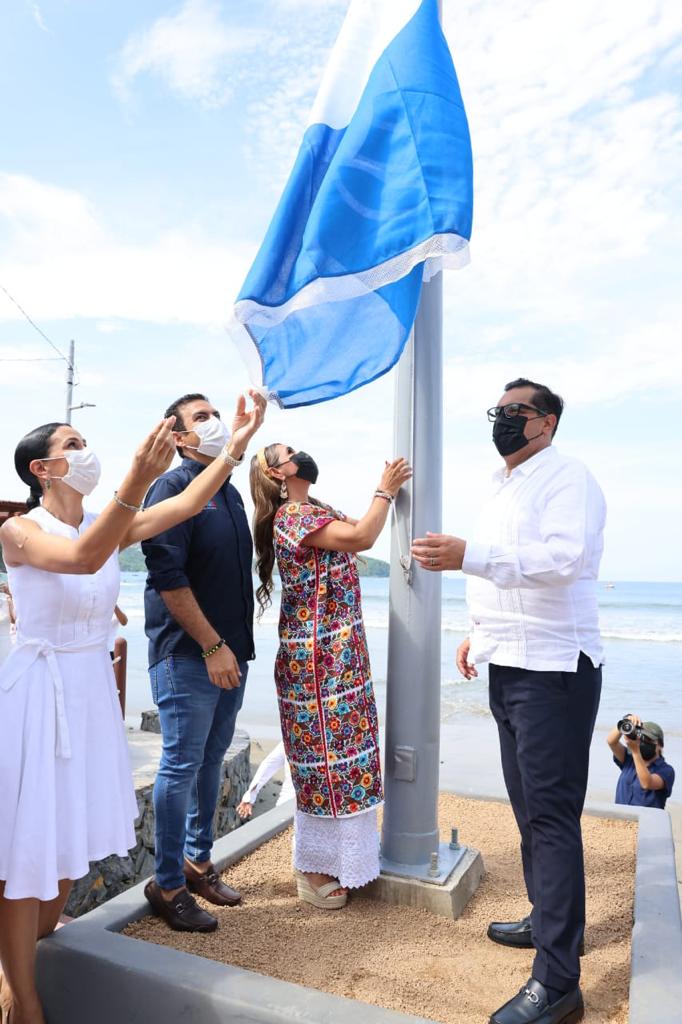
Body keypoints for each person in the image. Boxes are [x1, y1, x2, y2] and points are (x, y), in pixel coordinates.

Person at [0, 392, 263, 1024]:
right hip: (41, 695)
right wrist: (135, 481)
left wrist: (235, 446)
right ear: (41, 467)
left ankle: (29, 947)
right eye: (71, 444)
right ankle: (24, 999)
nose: (84, 451)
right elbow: (82, 559)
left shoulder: (105, 519)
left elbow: (188, 501)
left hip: (88, 693)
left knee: (67, 840)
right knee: (30, 849)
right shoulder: (20, 528)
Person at [412, 378, 606, 1024]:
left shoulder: (567, 478)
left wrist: (471, 556)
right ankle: (551, 921)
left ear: (546, 422)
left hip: (553, 671)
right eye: (497, 409)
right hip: (511, 661)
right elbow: (511, 583)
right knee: (531, 814)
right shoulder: (504, 484)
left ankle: (557, 984)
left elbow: (563, 561)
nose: (501, 419)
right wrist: (480, 635)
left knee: (551, 821)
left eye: (514, 411)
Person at [250, 445, 411, 909]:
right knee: (325, 758)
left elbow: (362, 533)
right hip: (318, 660)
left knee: (347, 754)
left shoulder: (314, 510)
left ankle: (345, 861)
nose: (300, 454)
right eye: (287, 453)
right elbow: (362, 536)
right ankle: (313, 868)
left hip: (336, 653)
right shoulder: (292, 517)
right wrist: (386, 489)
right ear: (277, 474)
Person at [141, 392, 266, 933]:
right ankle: (166, 884)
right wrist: (213, 647)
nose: (214, 422)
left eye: (215, 414)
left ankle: (198, 864)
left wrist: (233, 648)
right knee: (180, 764)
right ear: (178, 435)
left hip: (230, 655)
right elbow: (168, 577)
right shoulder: (171, 487)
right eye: (201, 417)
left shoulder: (229, 492)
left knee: (212, 759)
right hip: (189, 655)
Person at [608, 715, 675, 809]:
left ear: (660, 745)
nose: (643, 742)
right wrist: (625, 721)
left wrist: (635, 752)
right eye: (641, 738)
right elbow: (611, 742)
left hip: (648, 820)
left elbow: (647, 783)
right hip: (621, 818)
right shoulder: (628, 759)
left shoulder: (666, 770)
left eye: (649, 740)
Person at [236, 741, 296, 818]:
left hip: (288, 808)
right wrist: (250, 796)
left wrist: (250, 796)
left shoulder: (292, 736)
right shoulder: (291, 737)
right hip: (287, 808)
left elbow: (270, 764)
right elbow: (269, 764)